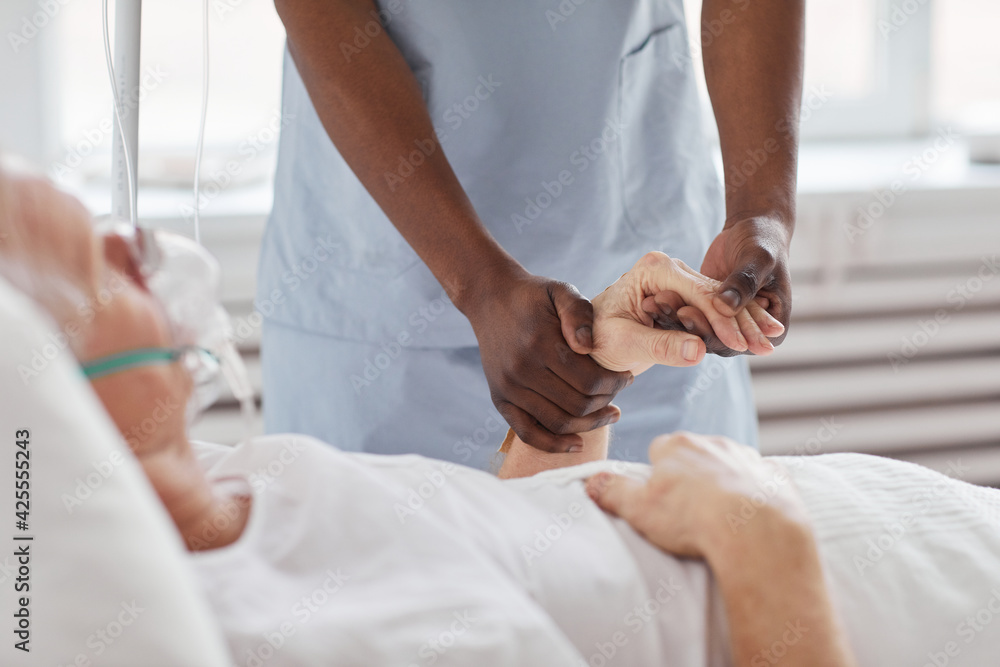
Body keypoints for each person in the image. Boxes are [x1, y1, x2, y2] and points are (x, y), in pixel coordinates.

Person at [11, 174, 1000, 666]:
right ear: (48, 390)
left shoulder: (244, 492)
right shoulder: (299, 639)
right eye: (108, 269)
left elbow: (501, 562)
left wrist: (574, 399)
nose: (147, 256)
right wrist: (763, 546)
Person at [258, 0, 805, 468]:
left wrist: (764, 208)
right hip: (384, 308)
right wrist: (479, 282)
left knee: (674, 578)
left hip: (657, 272)